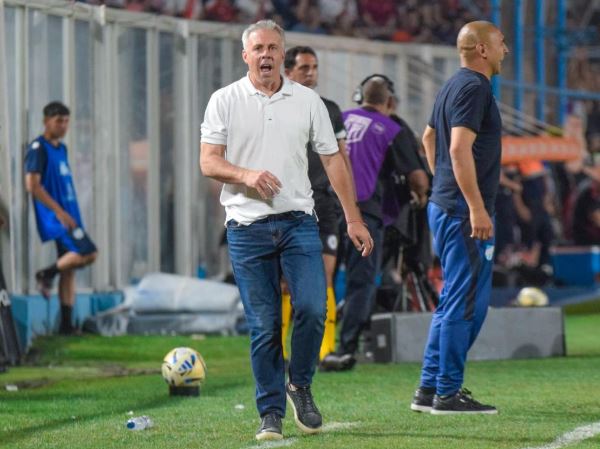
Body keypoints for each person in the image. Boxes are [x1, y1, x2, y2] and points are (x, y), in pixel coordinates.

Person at [199, 20, 372, 441]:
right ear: (246, 55)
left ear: (281, 54)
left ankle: (300, 384)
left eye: (273, 47)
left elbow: (332, 159)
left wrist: (353, 217)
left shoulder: (308, 101)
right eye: (258, 48)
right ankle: (270, 412)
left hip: (298, 222)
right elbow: (208, 161)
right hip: (246, 228)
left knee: (312, 308)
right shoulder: (224, 100)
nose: (265, 54)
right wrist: (247, 175)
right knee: (264, 325)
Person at [411, 20, 508, 415]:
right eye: (501, 43)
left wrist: (444, 185)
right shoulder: (475, 88)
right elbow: (456, 148)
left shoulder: (453, 84)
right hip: (463, 212)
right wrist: (475, 205)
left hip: (447, 205)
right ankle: (447, 393)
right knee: (466, 304)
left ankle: (429, 388)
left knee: (453, 298)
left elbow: (428, 137)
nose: (506, 50)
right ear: (482, 49)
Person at [320, 74, 427, 371]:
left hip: (327, 206)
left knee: (323, 279)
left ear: (359, 96)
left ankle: (318, 347)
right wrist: (420, 196)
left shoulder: (340, 117)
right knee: (361, 281)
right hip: (363, 212)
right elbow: (418, 178)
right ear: (390, 101)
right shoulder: (392, 129)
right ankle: (346, 348)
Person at [282, 45, 352, 364]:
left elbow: (341, 157)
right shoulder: (276, 107)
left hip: (323, 203)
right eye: (304, 68)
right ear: (288, 72)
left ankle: (326, 351)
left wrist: (351, 203)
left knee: (325, 274)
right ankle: (281, 351)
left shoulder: (330, 109)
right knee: (285, 280)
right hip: (287, 202)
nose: (311, 73)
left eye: (314, 67)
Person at [25, 102, 98, 335]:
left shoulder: (62, 149)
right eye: (58, 121)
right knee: (88, 253)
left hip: (69, 213)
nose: (63, 126)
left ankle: (66, 325)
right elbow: (32, 185)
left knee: (70, 268)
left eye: (66, 121)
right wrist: (58, 211)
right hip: (57, 216)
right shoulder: (38, 148)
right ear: (46, 121)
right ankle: (46, 273)